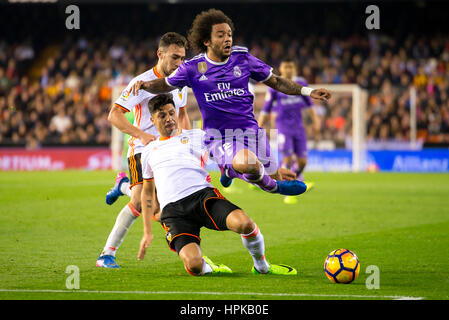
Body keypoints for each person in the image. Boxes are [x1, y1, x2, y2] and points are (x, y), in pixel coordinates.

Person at [130, 9, 331, 198]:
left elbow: (276, 81)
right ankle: (270, 185)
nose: (227, 39)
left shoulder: (242, 58)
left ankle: (231, 170)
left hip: (251, 132)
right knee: (252, 166)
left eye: (229, 34)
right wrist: (145, 84)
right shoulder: (193, 68)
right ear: (206, 40)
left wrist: (308, 91)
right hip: (220, 137)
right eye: (220, 35)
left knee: (271, 172)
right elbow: (165, 84)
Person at [138, 93, 297, 276]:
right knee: (194, 266)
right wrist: (146, 231)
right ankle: (208, 266)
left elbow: (231, 156)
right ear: (152, 119)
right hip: (174, 212)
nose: (169, 119)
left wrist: (272, 171)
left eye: (171, 113)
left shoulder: (198, 137)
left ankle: (262, 266)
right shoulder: (148, 151)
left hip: (203, 197)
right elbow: (147, 192)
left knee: (245, 224)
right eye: (162, 115)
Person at [96, 32, 191, 268]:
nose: (179, 63)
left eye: (182, 58)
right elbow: (113, 115)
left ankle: (122, 186)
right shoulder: (141, 83)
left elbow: (182, 114)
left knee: (167, 203)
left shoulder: (181, 81)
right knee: (140, 202)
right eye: (174, 57)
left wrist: (187, 144)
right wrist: (141, 135)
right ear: (160, 54)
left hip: (168, 150)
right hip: (142, 148)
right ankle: (106, 254)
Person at [258, 58, 321, 204]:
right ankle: (287, 191)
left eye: (290, 67)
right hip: (283, 127)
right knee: (287, 159)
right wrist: (259, 125)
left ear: (294, 69)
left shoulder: (301, 84)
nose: (288, 70)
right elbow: (267, 108)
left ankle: (295, 179)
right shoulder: (274, 85)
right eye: (285, 67)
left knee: (302, 162)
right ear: (281, 68)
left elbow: (309, 104)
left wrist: (316, 120)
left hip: (299, 128)